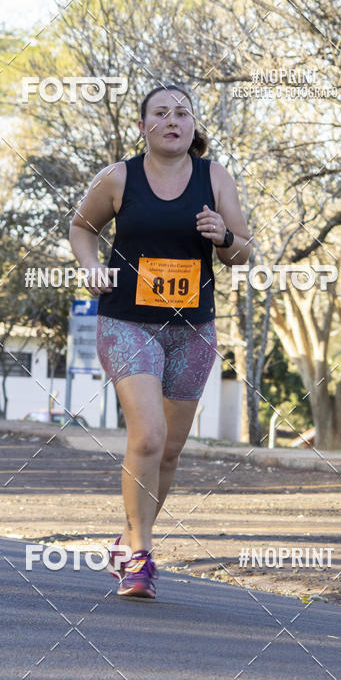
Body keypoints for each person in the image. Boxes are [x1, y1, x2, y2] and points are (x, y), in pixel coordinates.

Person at [69, 84, 252, 599]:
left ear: (194, 126)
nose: (173, 120)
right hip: (127, 321)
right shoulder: (119, 177)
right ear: (144, 125)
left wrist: (224, 236)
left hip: (192, 329)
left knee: (169, 452)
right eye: (161, 113)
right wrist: (90, 268)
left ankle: (127, 539)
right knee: (146, 436)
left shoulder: (215, 178)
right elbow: (82, 228)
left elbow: (242, 256)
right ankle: (141, 558)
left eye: (183, 113)